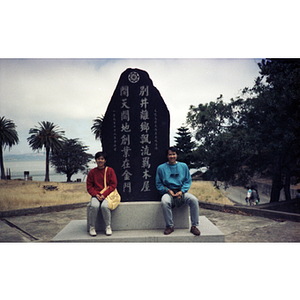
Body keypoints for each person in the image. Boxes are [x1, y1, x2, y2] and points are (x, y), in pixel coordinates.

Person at [155, 146, 201, 236]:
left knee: (194, 200)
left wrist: (182, 191)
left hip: (181, 191)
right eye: (170, 154)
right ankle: (169, 226)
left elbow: (188, 181)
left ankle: (194, 226)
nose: (172, 156)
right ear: (167, 156)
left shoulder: (183, 166)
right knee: (164, 202)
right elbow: (158, 183)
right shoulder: (161, 168)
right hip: (168, 192)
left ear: (176, 155)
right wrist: (168, 191)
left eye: (174, 154)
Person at [87, 152, 117, 236]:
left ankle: (108, 226)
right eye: (98, 158)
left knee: (104, 206)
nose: (100, 160)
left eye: (102, 159)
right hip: (96, 195)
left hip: (107, 195)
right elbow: (89, 186)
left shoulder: (110, 171)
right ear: (96, 160)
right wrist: (96, 194)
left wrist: (104, 195)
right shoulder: (92, 172)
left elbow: (113, 185)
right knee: (94, 206)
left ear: (105, 160)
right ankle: (92, 227)